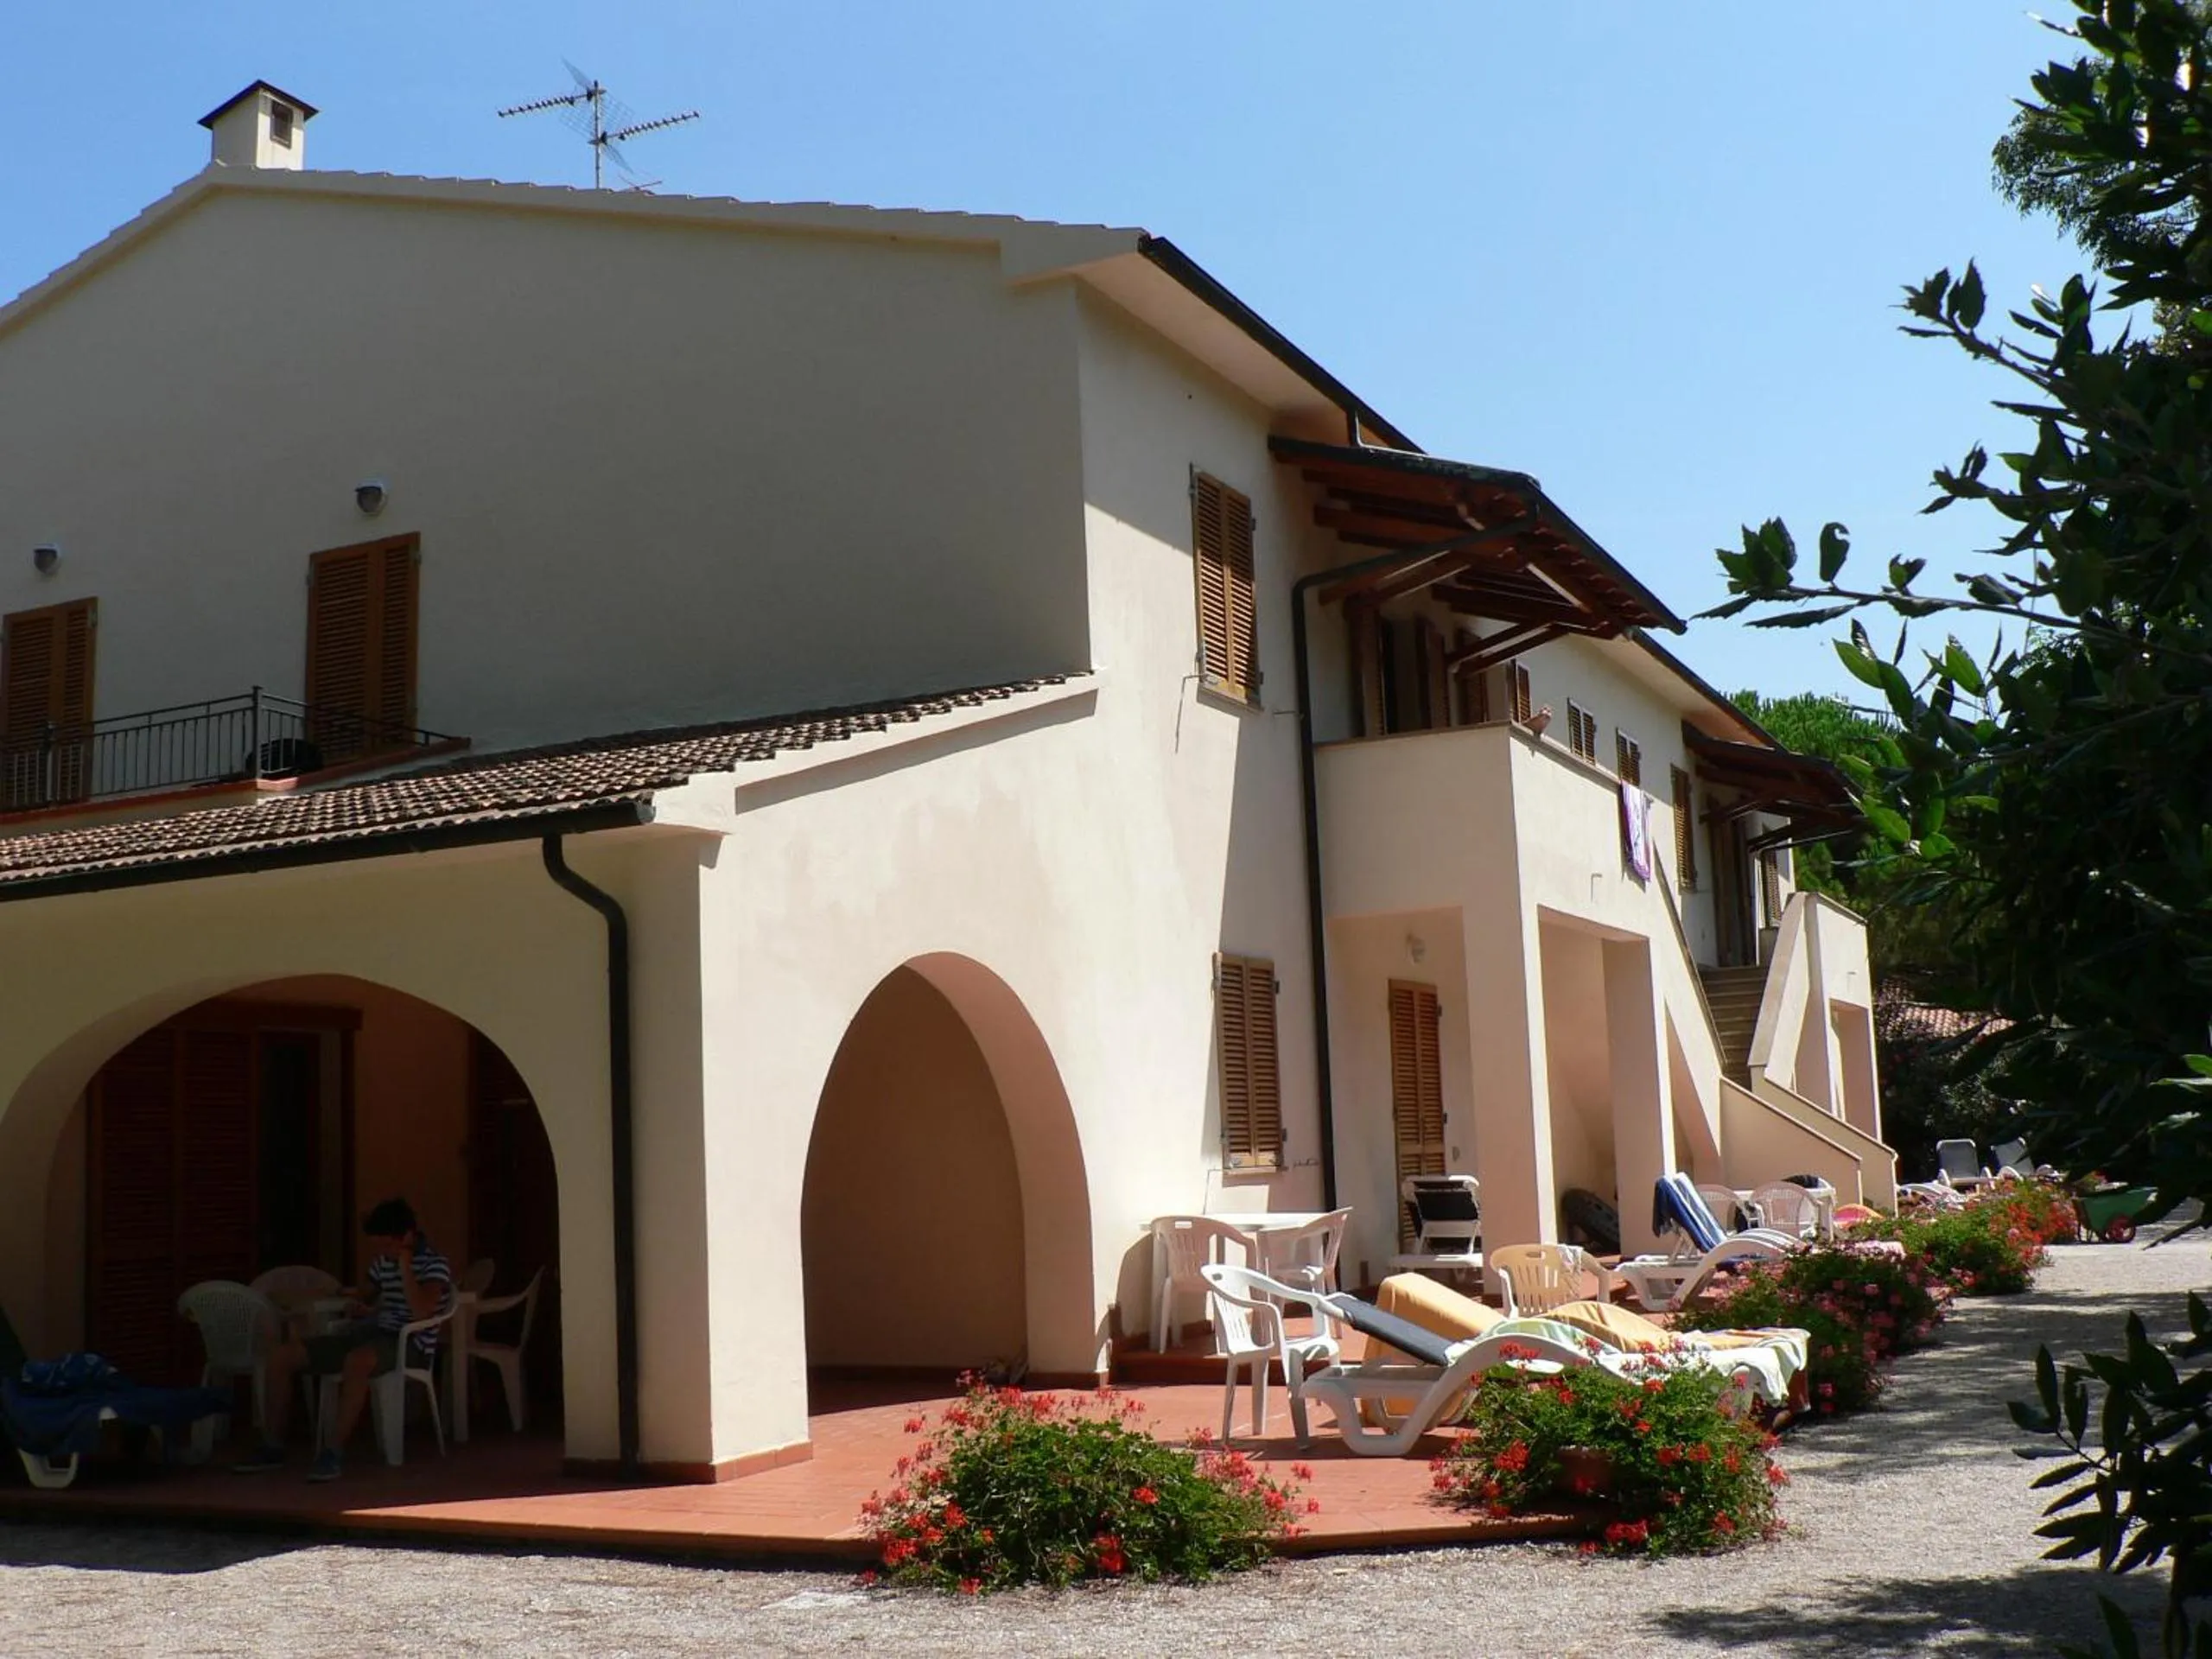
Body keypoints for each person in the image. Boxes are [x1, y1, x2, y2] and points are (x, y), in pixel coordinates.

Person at [235, 1198, 453, 1482]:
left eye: (388, 1245)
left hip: (407, 1344)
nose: (382, 1252)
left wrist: (405, 1267)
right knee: (281, 1357)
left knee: (357, 1361)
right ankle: (273, 1446)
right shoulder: (382, 1263)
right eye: (379, 1245)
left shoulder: (434, 1265)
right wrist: (353, 1303)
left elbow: (422, 1310)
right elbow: (364, 1294)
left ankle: (332, 1452)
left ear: (408, 1236)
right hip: (369, 1333)